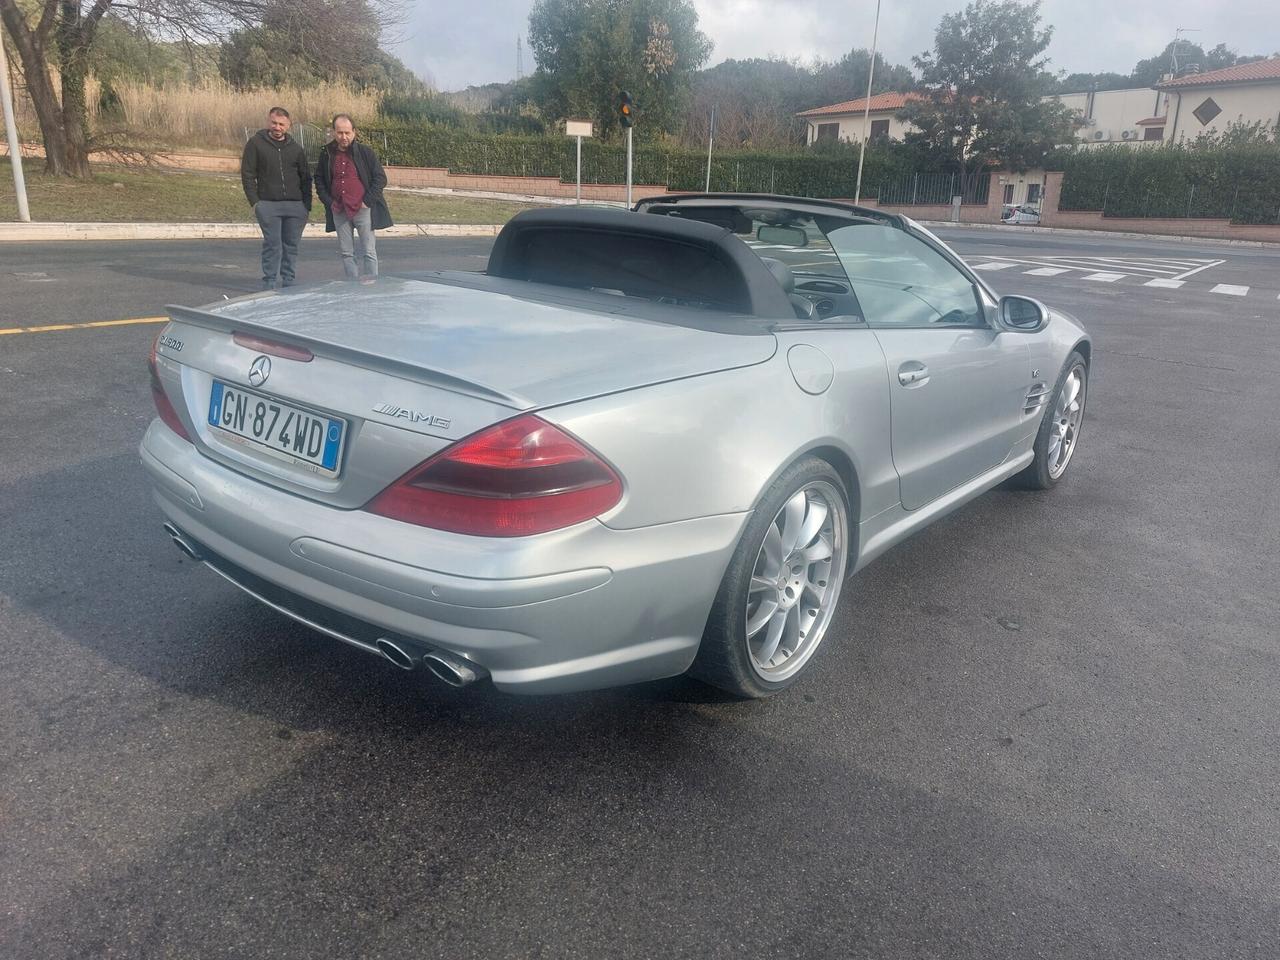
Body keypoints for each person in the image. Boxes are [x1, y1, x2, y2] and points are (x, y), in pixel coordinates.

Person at [314, 114, 393, 282]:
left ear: (354, 132)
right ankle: (352, 285)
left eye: (347, 133)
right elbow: (319, 179)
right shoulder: (326, 153)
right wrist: (329, 202)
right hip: (339, 210)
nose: (344, 137)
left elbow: (380, 178)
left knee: (369, 252)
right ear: (334, 132)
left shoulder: (365, 153)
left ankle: (371, 284)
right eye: (340, 132)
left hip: (362, 209)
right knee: (346, 253)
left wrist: (367, 201)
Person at [240, 106, 312, 290]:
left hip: (296, 206)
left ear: (288, 125)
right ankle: (269, 282)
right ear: (268, 122)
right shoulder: (255, 144)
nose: (277, 127)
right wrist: (255, 203)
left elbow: (305, 178)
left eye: (281, 124)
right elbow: (248, 174)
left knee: (291, 246)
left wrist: (306, 205)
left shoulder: (296, 149)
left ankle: (288, 281)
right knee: (272, 245)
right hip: (268, 205)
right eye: (274, 123)